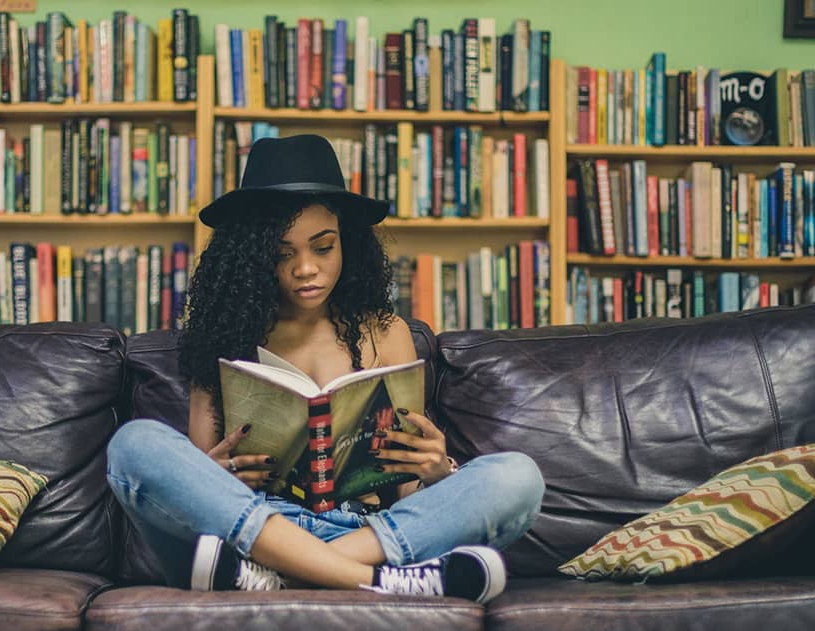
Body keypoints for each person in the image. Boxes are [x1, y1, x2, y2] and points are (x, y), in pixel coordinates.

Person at [106, 134, 544, 602]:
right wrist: (214, 474)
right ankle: (378, 582)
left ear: (347, 245)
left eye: (323, 247)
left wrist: (438, 471)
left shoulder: (387, 332)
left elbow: (407, 494)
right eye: (282, 253)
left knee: (518, 477)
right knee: (134, 446)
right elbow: (196, 487)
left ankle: (293, 575)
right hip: (254, 527)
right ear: (253, 258)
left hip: (366, 531)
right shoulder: (220, 337)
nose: (305, 269)